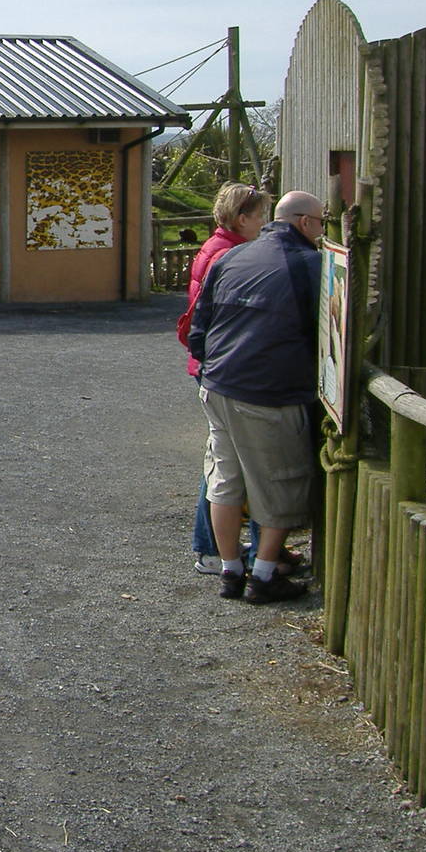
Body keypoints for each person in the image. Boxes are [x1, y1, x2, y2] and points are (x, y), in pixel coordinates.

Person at [187, 190, 326, 604]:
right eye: (321, 221)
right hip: (269, 391)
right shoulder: (309, 264)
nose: (322, 229)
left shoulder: (232, 257)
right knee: (278, 480)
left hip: (217, 384)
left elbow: (200, 324)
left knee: (225, 479)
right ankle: (263, 575)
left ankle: (230, 569)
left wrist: (211, 364)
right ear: (304, 223)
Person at [178, 183, 269, 574]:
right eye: (261, 215)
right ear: (243, 218)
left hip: (211, 364)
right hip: (223, 367)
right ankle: (212, 546)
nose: (265, 224)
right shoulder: (230, 255)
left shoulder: (216, 247)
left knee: (221, 458)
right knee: (225, 463)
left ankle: (217, 544)